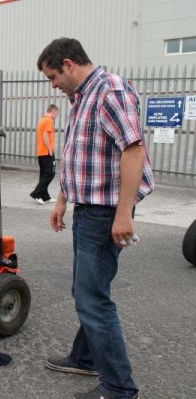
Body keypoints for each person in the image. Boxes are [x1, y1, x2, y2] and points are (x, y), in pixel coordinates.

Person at [37, 38, 154, 399]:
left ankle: (119, 389)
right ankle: (85, 357)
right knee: (87, 291)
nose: (53, 84)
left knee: (93, 299)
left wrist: (123, 213)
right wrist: (61, 200)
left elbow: (133, 151)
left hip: (104, 213)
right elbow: (79, 155)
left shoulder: (110, 91)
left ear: (69, 64)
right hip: (87, 209)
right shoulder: (81, 97)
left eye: (53, 76)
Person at [30, 104, 59, 204]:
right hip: (47, 152)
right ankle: (36, 194)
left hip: (41, 152)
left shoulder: (42, 120)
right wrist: (50, 148)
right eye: (56, 113)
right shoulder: (48, 120)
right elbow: (45, 135)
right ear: (53, 111)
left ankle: (45, 196)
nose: (56, 116)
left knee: (44, 174)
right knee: (50, 173)